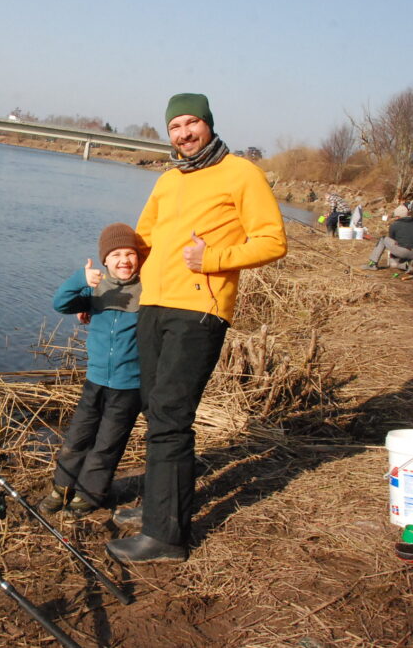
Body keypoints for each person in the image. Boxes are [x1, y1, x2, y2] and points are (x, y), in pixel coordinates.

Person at [105, 93, 287, 563]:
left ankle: (165, 537)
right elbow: (141, 241)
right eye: (174, 127)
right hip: (154, 306)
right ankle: (159, 506)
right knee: (153, 407)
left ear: (207, 124)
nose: (183, 134)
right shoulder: (168, 180)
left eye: (191, 123)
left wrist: (215, 259)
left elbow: (272, 240)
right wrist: (104, 291)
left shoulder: (242, 174)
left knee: (170, 415)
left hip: (200, 311)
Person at [39, 223, 145, 517]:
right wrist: (80, 279)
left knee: (107, 444)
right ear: (105, 261)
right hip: (95, 379)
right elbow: (61, 303)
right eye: (116, 255)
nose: (124, 260)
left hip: (129, 385)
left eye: (130, 254)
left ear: (139, 257)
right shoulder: (96, 288)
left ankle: (90, 493)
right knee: (77, 438)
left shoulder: (149, 291)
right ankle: (62, 487)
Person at [363, 204, 413, 273]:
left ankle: (372, 264)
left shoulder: (395, 225)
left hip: (403, 251)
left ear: (398, 216)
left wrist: (393, 254)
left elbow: (393, 240)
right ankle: (408, 264)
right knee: (393, 264)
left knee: (383, 239)